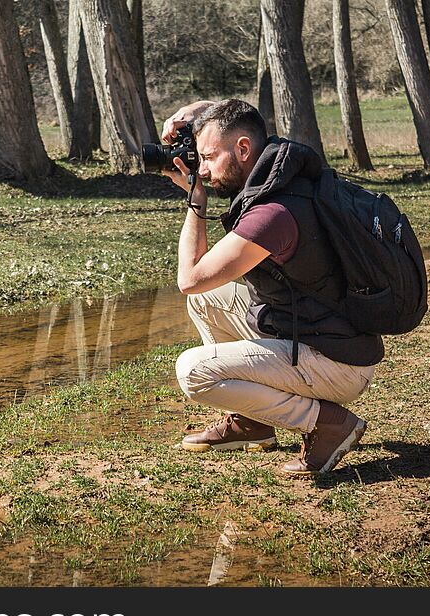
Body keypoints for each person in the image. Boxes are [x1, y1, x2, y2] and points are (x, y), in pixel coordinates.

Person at [161, 99, 382, 475]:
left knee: (192, 372)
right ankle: (252, 422)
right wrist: (189, 115)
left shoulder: (272, 214)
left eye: (209, 157)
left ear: (243, 149)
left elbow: (189, 279)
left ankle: (326, 422)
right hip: (324, 335)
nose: (204, 169)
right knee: (209, 301)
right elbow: (234, 113)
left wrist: (195, 202)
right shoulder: (280, 170)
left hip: (336, 364)